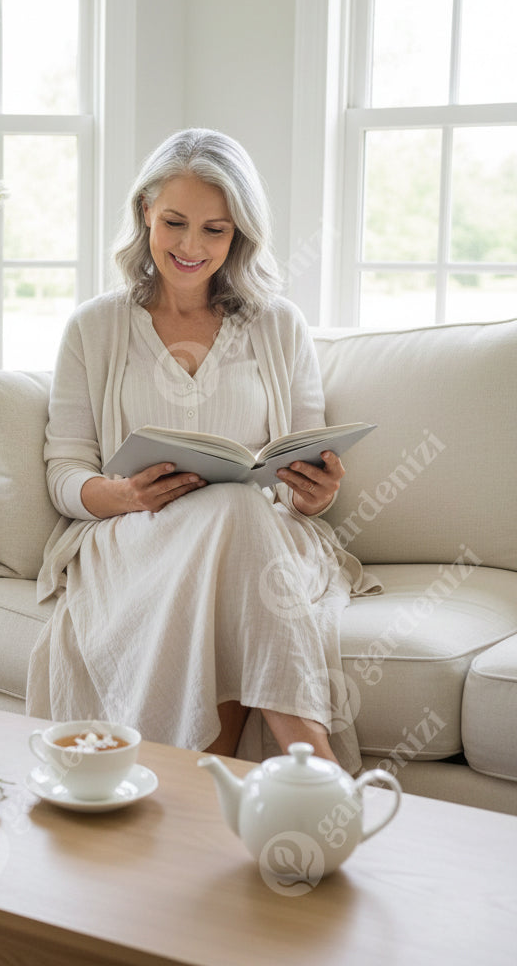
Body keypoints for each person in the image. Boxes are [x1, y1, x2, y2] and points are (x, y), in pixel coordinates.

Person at [26, 128, 381, 771]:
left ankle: (194, 789)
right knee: (237, 528)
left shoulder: (278, 324)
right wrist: (121, 492)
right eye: (174, 222)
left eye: (215, 230)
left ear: (239, 233)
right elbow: (64, 472)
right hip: (137, 535)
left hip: (263, 534)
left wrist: (317, 493)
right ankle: (316, 768)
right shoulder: (94, 327)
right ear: (144, 214)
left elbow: (303, 455)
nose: (191, 247)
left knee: (240, 516)